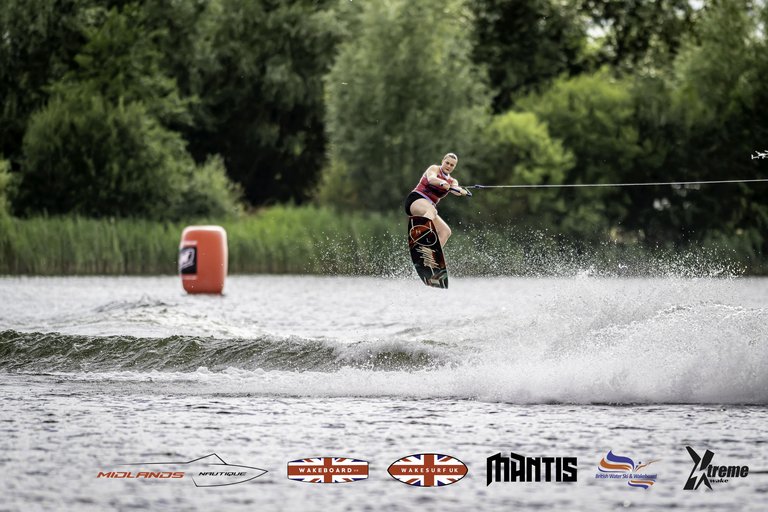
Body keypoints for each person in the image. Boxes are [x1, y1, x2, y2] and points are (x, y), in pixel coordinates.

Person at [403, 152, 470, 247]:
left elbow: (455, 189)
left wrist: (461, 191)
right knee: (432, 211)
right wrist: (442, 182)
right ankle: (418, 235)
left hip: (428, 209)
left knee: (445, 231)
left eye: (452, 165)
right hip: (416, 199)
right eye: (447, 163)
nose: (449, 166)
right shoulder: (434, 169)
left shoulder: (452, 181)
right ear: (442, 161)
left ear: (454, 167)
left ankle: (430, 255)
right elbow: (431, 179)